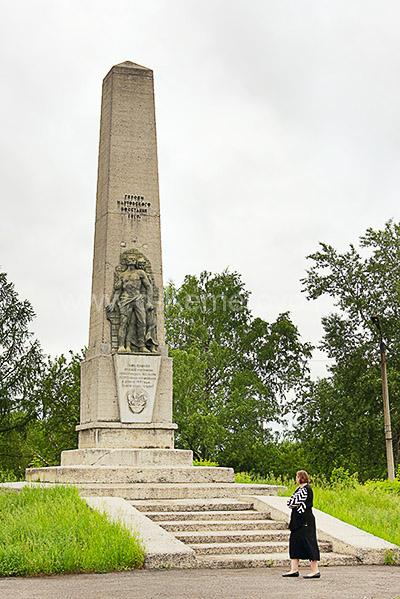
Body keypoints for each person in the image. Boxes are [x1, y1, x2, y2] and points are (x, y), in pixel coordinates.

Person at [282, 470, 321, 579]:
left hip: (305, 521)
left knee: (309, 544)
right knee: (294, 543)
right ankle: (294, 569)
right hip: (297, 522)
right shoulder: (299, 489)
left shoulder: (305, 489)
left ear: (301, 477)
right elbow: (291, 502)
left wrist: (292, 501)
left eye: (297, 476)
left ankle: (315, 570)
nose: (295, 478)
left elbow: (291, 503)